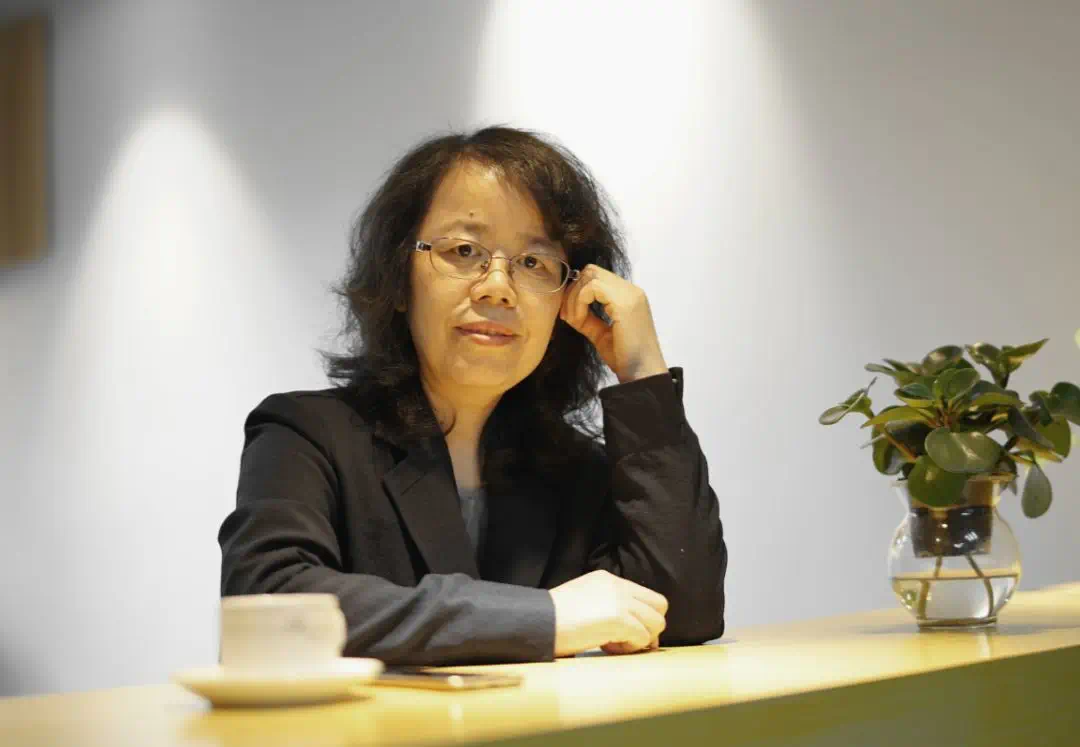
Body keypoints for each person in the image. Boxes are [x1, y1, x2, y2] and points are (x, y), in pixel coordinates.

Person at [218, 126, 727, 665]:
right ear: (397, 279)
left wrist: (642, 370)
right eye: (464, 251)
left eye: (533, 262)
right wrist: (543, 619)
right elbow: (269, 604)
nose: (498, 287)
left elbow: (682, 612)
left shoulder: (573, 471)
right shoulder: (306, 434)